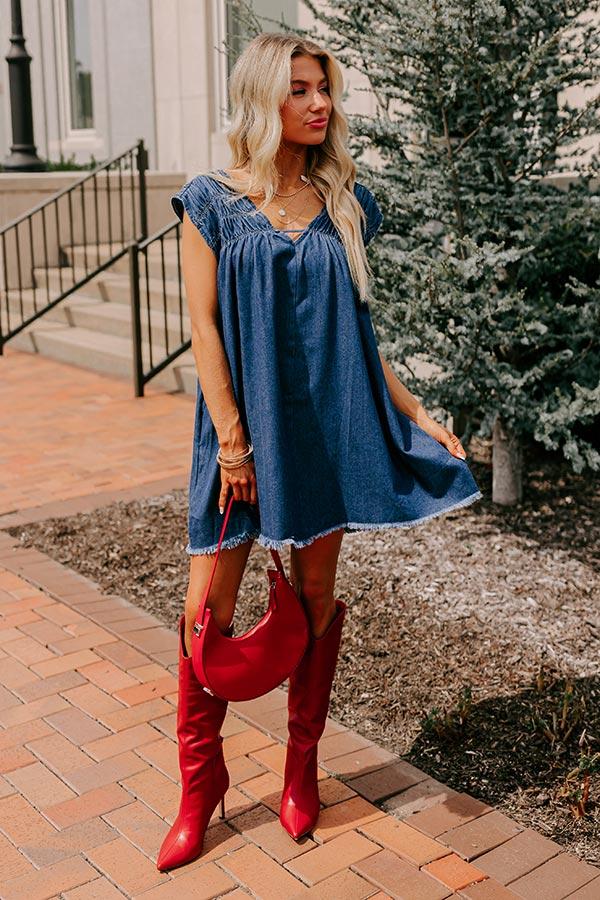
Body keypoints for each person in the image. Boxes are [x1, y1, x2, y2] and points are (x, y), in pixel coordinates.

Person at [157, 32, 483, 872]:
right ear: (263, 96)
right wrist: (233, 442)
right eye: (300, 88)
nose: (319, 103)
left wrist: (416, 412)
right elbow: (204, 329)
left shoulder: (344, 203)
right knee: (205, 613)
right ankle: (200, 785)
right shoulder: (211, 201)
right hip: (239, 435)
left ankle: (301, 768)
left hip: (323, 431)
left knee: (313, 599)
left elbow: (360, 334)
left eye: (324, 88)